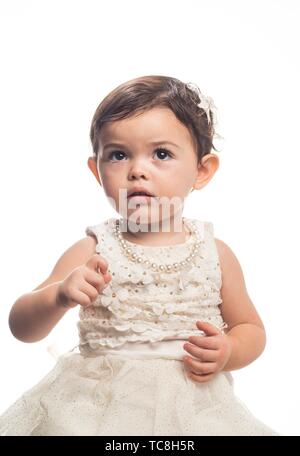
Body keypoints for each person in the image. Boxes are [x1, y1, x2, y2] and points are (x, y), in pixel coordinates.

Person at [0, 75, 278, 436]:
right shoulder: (93, 249)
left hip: (191, 412)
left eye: (161, 154)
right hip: (95, 411)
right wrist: (58, 296)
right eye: (118, 155)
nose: (137, 170)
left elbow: (251, 329)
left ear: (201, 170)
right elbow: (22, 327)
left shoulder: (215, 253)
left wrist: (229, 350)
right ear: (96, 171)